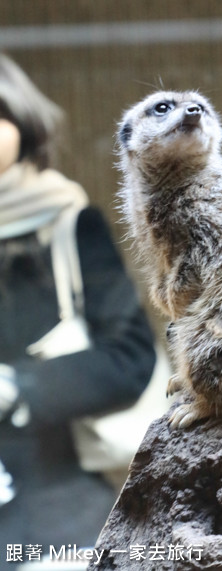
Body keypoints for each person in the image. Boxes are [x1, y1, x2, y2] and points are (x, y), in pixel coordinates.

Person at [0, 53, 157, 562]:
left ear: (21, 122)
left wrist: (19, 388)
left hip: (62, 507)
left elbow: (130, 356)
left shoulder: (68, 222)